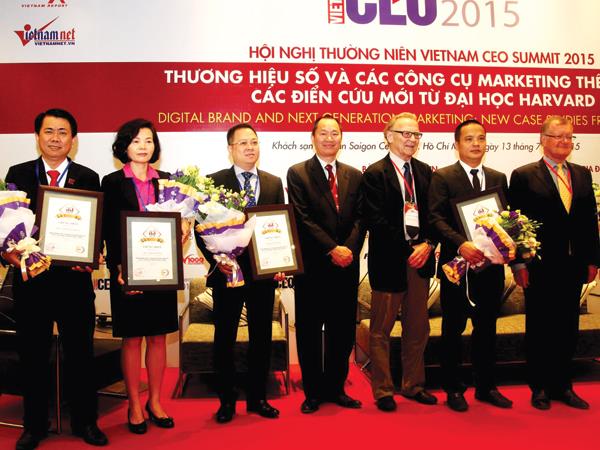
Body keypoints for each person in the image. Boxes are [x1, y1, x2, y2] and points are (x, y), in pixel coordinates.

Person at [3, 109, 108, 449]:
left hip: (73, 282)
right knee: (32, 355)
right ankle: (34, 425)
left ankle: (85, 421)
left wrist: (92, 255)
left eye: (63, 132)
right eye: (49, 131)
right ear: (37, 136)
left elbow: (97, 225)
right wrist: (7, 254)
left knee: (81, 353)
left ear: (73, 140)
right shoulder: (18, 173)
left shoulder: (88, 176)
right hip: (32, 281)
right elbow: (5, 224)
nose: (55, 138)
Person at [194, 123, 285, 424]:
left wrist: (280, 260)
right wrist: (217, 258)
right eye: (243, 143)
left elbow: (278, 225)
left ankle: (258, 398)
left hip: (262, 274)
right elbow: (200, 227)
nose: (250, 147)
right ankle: (227, 401)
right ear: (230, 148)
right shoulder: (213, 182)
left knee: (261, 336)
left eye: (254, 142)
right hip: (227, 272)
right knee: (225, 338)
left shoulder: (273, 182)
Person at [508, 115, 599, 410]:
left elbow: (589, 221)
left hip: (573, 265)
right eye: (558, 136)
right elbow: (515, 223)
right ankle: (540, 387)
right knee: (540, 327)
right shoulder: (523, 175)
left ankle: (563, 386)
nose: (564, 142)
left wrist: (593, 260)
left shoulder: (581, 174)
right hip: (539, 266)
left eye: (569, 137)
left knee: (567, 327)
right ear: (543, 139)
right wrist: (519, 265)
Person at [428, 118, 512, 412]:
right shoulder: (443, 177)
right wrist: (461, 243)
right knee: (453, 328)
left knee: (487, 328)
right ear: (457, 145)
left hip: (491, 268)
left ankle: (486, 386)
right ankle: (453, 388)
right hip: (457, 267)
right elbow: (435, 218)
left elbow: (506, 219)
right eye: (469, 139)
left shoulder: (498, 177)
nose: (476, 144)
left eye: (481, 138)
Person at [102, 119, 178, 434]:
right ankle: (134, 404)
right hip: (127, 274)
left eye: (148, 140)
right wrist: (120, 270)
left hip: (161, 272)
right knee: (132, 339)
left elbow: (177, 226)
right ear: (124, 146)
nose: (143, 146)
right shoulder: (112, 182)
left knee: (158, 338)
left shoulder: (169, 182)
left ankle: (155, 402)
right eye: (135, 141)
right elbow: (108, 230)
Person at [287, 114, 365, 414]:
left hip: (346, 267)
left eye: (335, 133)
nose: (329, 138)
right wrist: (332, 248)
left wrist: (348, 250)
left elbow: (361, 218)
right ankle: (313, 392)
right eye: (324, 133)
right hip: (314, 267)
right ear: (313, 137)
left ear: (341, 138)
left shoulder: (354, 175)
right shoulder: (298, 173)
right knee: (309, 331)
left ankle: (336, 388)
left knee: (342, 331)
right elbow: (302, 218)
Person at [361, 113, 437, 412]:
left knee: (417, 328)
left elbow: (435, 214)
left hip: (421, 261)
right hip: (390, 262)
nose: (411, 139)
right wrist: (410, 249)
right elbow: (376, 221)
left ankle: (413, 385)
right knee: (381, 330)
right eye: (405, 133)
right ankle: (383, 390)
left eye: (416, 134)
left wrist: (428, 244)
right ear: (388, 136)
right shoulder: (374, 174)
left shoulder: (426, 171)